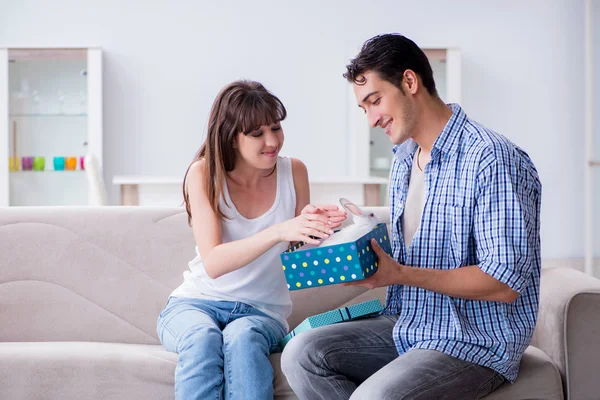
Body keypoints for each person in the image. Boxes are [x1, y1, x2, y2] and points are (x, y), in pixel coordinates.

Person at [281, 33, 542, 399]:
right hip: (412, 322)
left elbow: (504, 283)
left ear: (409, 81)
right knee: (302, 354)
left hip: (473, 339)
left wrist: (400, 274)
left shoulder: (491, 160)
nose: (371, 120)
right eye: (364, 108)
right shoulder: (405, 159)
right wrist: (345, 223)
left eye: (375, 101)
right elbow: (425, 224)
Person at [156, 80, 346, 400]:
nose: (272, 141)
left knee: (243, 336)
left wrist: (314, 225)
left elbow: (297, 253)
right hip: (195, 303)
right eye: (257, 134)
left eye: (275, 128)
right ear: (231, 137)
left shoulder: (294, 171)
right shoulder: (203, 174)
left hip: (262, 313)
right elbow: (214, 262)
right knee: (202, 338)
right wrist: (280, 230)